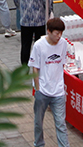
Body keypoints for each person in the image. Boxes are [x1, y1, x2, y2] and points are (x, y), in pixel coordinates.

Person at [29, 17, 70, 147]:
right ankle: (39, 144)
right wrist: (38, 88)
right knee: (38, 122)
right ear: (49, 31)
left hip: (58, 91)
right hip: (43, 90)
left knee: (61, 123)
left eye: (61, 33)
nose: (59, 36)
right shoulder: (39, 45)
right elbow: (35, 67)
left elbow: (62, 64)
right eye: (56, 33)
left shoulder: (63, 44)